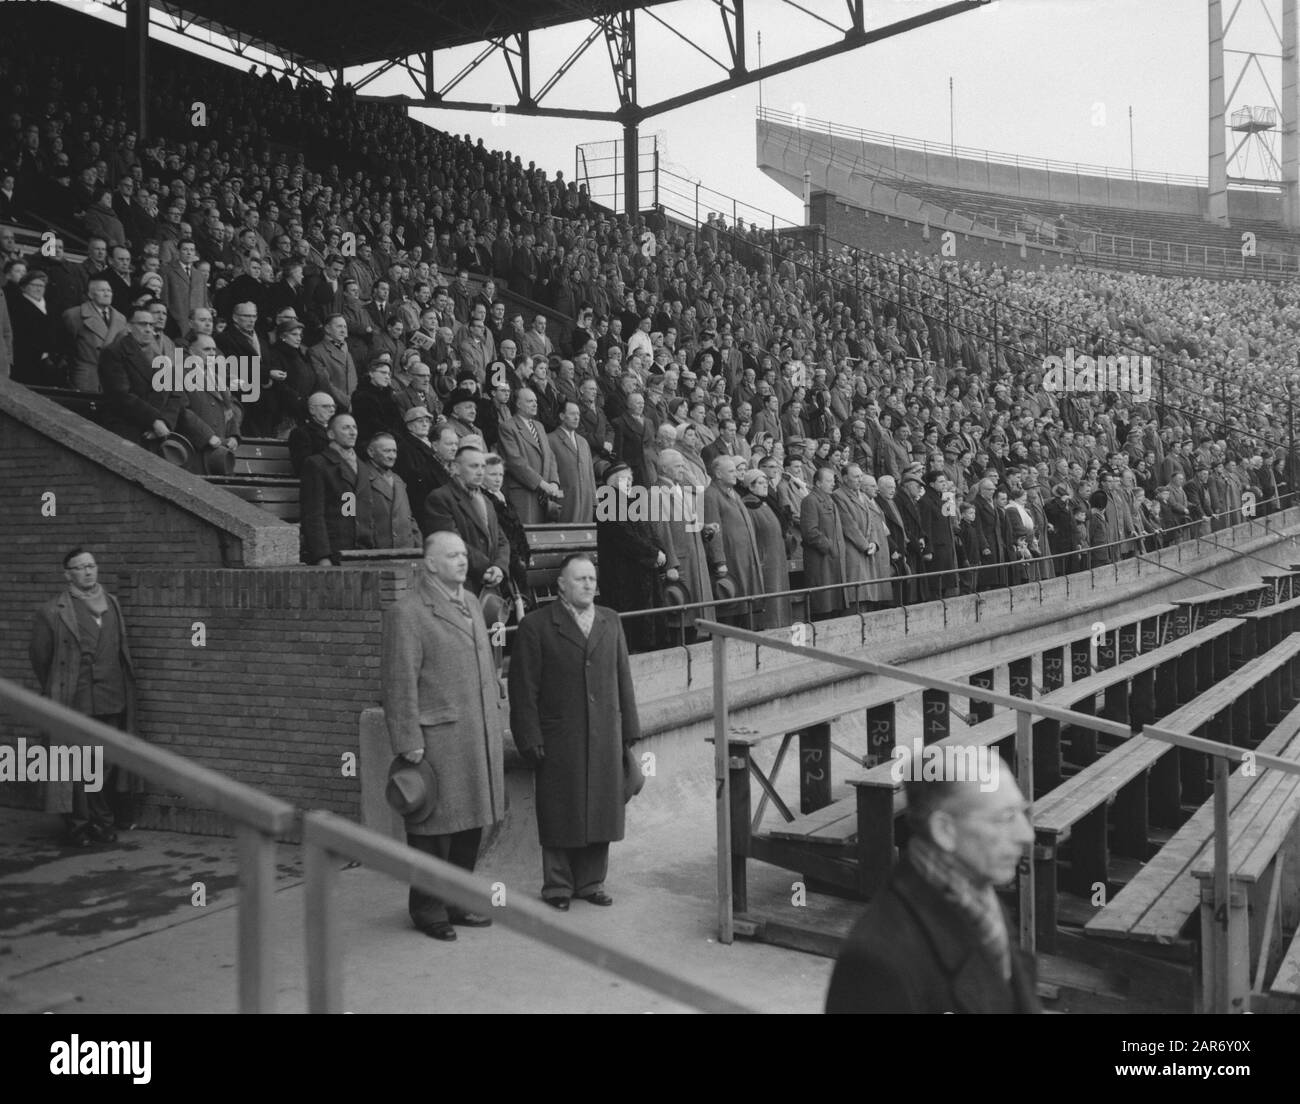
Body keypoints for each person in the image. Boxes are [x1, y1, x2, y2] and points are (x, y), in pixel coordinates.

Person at [825, 755, 1039, 1013]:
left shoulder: (979, 897)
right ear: (944, 830)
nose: (1026, 834)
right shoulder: (875, 963)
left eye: (1021, 813)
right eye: (1005, 818)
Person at [382, 530, 505, 941]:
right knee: (433, 830)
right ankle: (427, 908)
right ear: (429, 564)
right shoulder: (408, 612)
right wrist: (407, 739)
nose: (462, 561)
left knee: (470, 825)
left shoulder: (471, 601)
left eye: (462, 554)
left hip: (475, 731)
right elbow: (399, 683)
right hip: (437, 739)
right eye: (451, 556)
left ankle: (457, 900)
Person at [509, 554, 641, 910]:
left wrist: (629, 730)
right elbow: (524, 691)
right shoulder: (536, 627)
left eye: (592, 579)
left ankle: (591, 882)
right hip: (558, 737)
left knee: (602, 807)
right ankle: (557, 886)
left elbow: (622, 678)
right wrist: (529, 737)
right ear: (561, 585)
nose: (588, 584)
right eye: (580, 579)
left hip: (605, 734)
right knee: (559, 809)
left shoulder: (610, 621)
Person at [29, 548, 141, 846]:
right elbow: (42, 661)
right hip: (75, 702)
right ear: (68, 574)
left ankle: (98, 821)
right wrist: (62, 689)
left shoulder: (113, 604)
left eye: (92, 565)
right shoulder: (52, 612)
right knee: (77, 766)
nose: (88, 572)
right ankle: (84, 825)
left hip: (111, 699)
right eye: (80, 568)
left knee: (103, 764)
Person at [595, 462, 669, 650]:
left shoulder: (633, 503)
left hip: (642, 569)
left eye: (630, 479)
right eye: (623, 479)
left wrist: (660, 551)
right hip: (622, 574)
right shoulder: (609, 505)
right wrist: (653, 554)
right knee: (632, 626)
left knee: (649, 621)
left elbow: (650, 532)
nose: (628, 483)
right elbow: (625, 537)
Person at [424, 444, 511, 598]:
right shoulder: (440, 498)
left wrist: (499, 567)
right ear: (455, 468)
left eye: (483, 467)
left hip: (490, 586)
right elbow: (451, 543)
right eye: (474, 466)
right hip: (460, 587)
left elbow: (502, 540)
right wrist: (487, 568)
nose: (480, 472)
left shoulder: (487, 501)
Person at [299, 412, 361, 565]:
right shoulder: (317, 464)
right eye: (346, 428)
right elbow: (313, 514)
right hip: (335, 551)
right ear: (331, 434)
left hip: (362, 550)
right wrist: (322, 556)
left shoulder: (363, 466)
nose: (352, 432)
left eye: (354, 427)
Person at [355, 432, 422, 551]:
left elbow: (409, 518)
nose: (392, 456)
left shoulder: (398, 480)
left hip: (407, 553)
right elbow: (349, 515)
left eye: (394, 451)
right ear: (371, 452)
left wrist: (419, 547)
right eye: (387, 451)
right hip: (377, 554)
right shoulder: (359, 476)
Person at [801, 466, 846, 618]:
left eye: (833, 480)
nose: (833, 484)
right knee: (823, 606)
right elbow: (810, 532)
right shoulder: (810, 501)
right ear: (818, 483)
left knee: (833, 606)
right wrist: (829, 547)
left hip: (832, 561)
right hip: (821, 562)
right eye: (828, 481)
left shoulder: (829, 500)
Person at [549, 399, 597, 523]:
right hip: (565, 502)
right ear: (562, 416)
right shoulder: (551, 440)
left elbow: (590, 474)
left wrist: (594, 500)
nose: (576, 418)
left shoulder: (583, 441)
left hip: (586, 502)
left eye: (578, 414)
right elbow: (550, 473)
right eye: (572, 414)